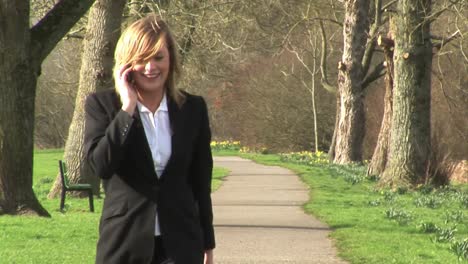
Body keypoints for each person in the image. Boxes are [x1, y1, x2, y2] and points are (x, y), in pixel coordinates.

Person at [84, 14, 215, 264]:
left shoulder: (193, 108)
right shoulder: (102, 106)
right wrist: (128, 108)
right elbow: (101, 165)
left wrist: (208, 242)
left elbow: (200, 182)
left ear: (171, 60)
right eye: (141, 59)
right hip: (124, 242)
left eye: (158, 57)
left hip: (181, 244)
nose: (150, 67)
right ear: (125, 64)